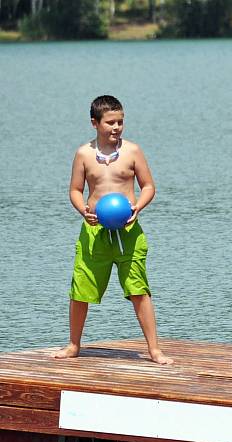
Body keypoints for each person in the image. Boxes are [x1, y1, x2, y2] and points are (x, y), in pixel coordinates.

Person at [52, 95, 172, 365]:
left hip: (129, 231)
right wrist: (84, 209)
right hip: (94, 232)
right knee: (80, 289)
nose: (116, 127)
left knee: (138, 289)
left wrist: (138, 207)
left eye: (120, 122)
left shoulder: (132, 151)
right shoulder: (84, 154)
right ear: (95, 123)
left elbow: (149, 186)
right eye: (110, 122)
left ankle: (154, 350)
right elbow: (74, 189)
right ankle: (73, 345)